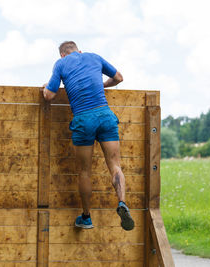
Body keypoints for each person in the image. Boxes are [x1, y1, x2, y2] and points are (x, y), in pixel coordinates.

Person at [42, 41, 134, 231]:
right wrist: (102, 85)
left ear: (62, 55)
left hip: (84, 119)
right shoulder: (94, 57)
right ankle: (122, 202)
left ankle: (86, 217)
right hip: (105, 115)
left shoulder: (61, 64)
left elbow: (49, 96)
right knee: (115, 165)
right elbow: (119, 78)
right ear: (79, 50)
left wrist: (46, 87)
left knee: (84, 171)